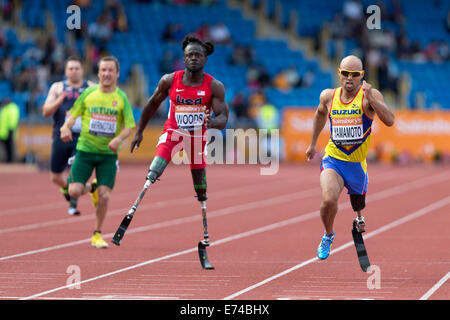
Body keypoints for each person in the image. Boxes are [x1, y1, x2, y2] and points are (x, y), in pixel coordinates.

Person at [130, 34, 229, 245]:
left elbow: (224, 117)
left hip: (197, 137)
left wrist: (212, 123)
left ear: (205, 59)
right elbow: (151, 104)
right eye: (190, 55)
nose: (194, 58)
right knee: (156, 167)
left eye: (198, 55)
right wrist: (139, 132)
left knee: (199, 181)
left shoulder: (215, 86)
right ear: (183, 58)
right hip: (173, 132)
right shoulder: (169, 80)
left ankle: (202, 201)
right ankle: (145, 188)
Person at [305, 55, 394, 260]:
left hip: (356, 164)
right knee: (328, 200)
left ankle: (359, 217)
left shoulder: (369, 96)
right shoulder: (328, 96)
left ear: (362, 75)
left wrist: (371, 99)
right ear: (339, 73)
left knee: (358, 204)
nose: (349, 78)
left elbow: (389, 120)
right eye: (345, 73)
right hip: (333, 159)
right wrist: (312, 143)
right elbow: (319, 114)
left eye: (355, 74)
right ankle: (328, 235)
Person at [60, 56, 136, 248]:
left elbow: (129, 126)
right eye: (103, 70)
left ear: (117, 74)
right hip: (85, 151)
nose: (107, 74)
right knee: (74, 191)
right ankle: (91, 188)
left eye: (110, 70)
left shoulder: (121, 98)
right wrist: (65, 128)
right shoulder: (88, 94)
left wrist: (118, 139)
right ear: (98, 73)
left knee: (105, 196)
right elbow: (72, 115)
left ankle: (97, 234)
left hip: (107, 156)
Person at [42, 56, 95, 216]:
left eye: (77, 68)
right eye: (70, 68)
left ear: (82, 70)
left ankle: (73, 205)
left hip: (82, 138)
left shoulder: (90, 87)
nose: (74, 71)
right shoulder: (57, 87)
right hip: (60, 137)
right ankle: (90, 188)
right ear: (66, 71)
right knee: (55, 177)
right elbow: (45, 112)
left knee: (75, 175)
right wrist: (59, 101)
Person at [0, 98, 20, 163]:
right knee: (5, 147)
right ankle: (7, 160)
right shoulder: (4, 108)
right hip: (3, 132)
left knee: (10, 147)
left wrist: (11, 129)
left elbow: (13, 119)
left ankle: (11, 160)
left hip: (9, 131)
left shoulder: (12, 108)